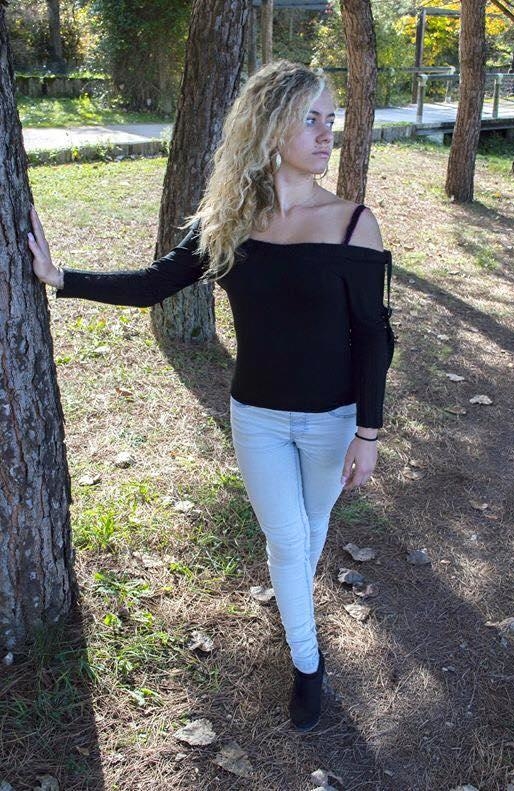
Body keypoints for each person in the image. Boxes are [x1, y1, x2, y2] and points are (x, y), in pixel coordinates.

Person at [29, 59, 393, 733]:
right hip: (257, 417)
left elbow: (374, 335)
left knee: (308, 530)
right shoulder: (228, 223)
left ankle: (291, 605)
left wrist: (368, 433)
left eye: (331, 120)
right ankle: (308, 662)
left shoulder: (352, 224)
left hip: (334, 419)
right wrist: (61, 278)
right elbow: (152, 284)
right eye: (310, 120)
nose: (326, 135)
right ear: (270, 126)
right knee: (287, 536)